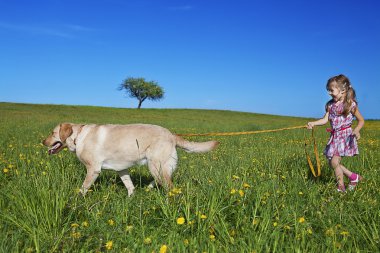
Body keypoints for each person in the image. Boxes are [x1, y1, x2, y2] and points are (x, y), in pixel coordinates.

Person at [307, 74, 365, 192]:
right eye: (328, 90)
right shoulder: (330, 105)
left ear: (343, 89)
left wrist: (356, 130)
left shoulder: (350, 104)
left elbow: (361, 120)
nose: (329, 93)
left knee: (334, 162)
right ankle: (354, 177)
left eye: (331, 90)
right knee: (331, 163)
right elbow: (324, 120)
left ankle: (341, 187)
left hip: (345, 137)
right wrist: (313, 123)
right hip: (334, 137)